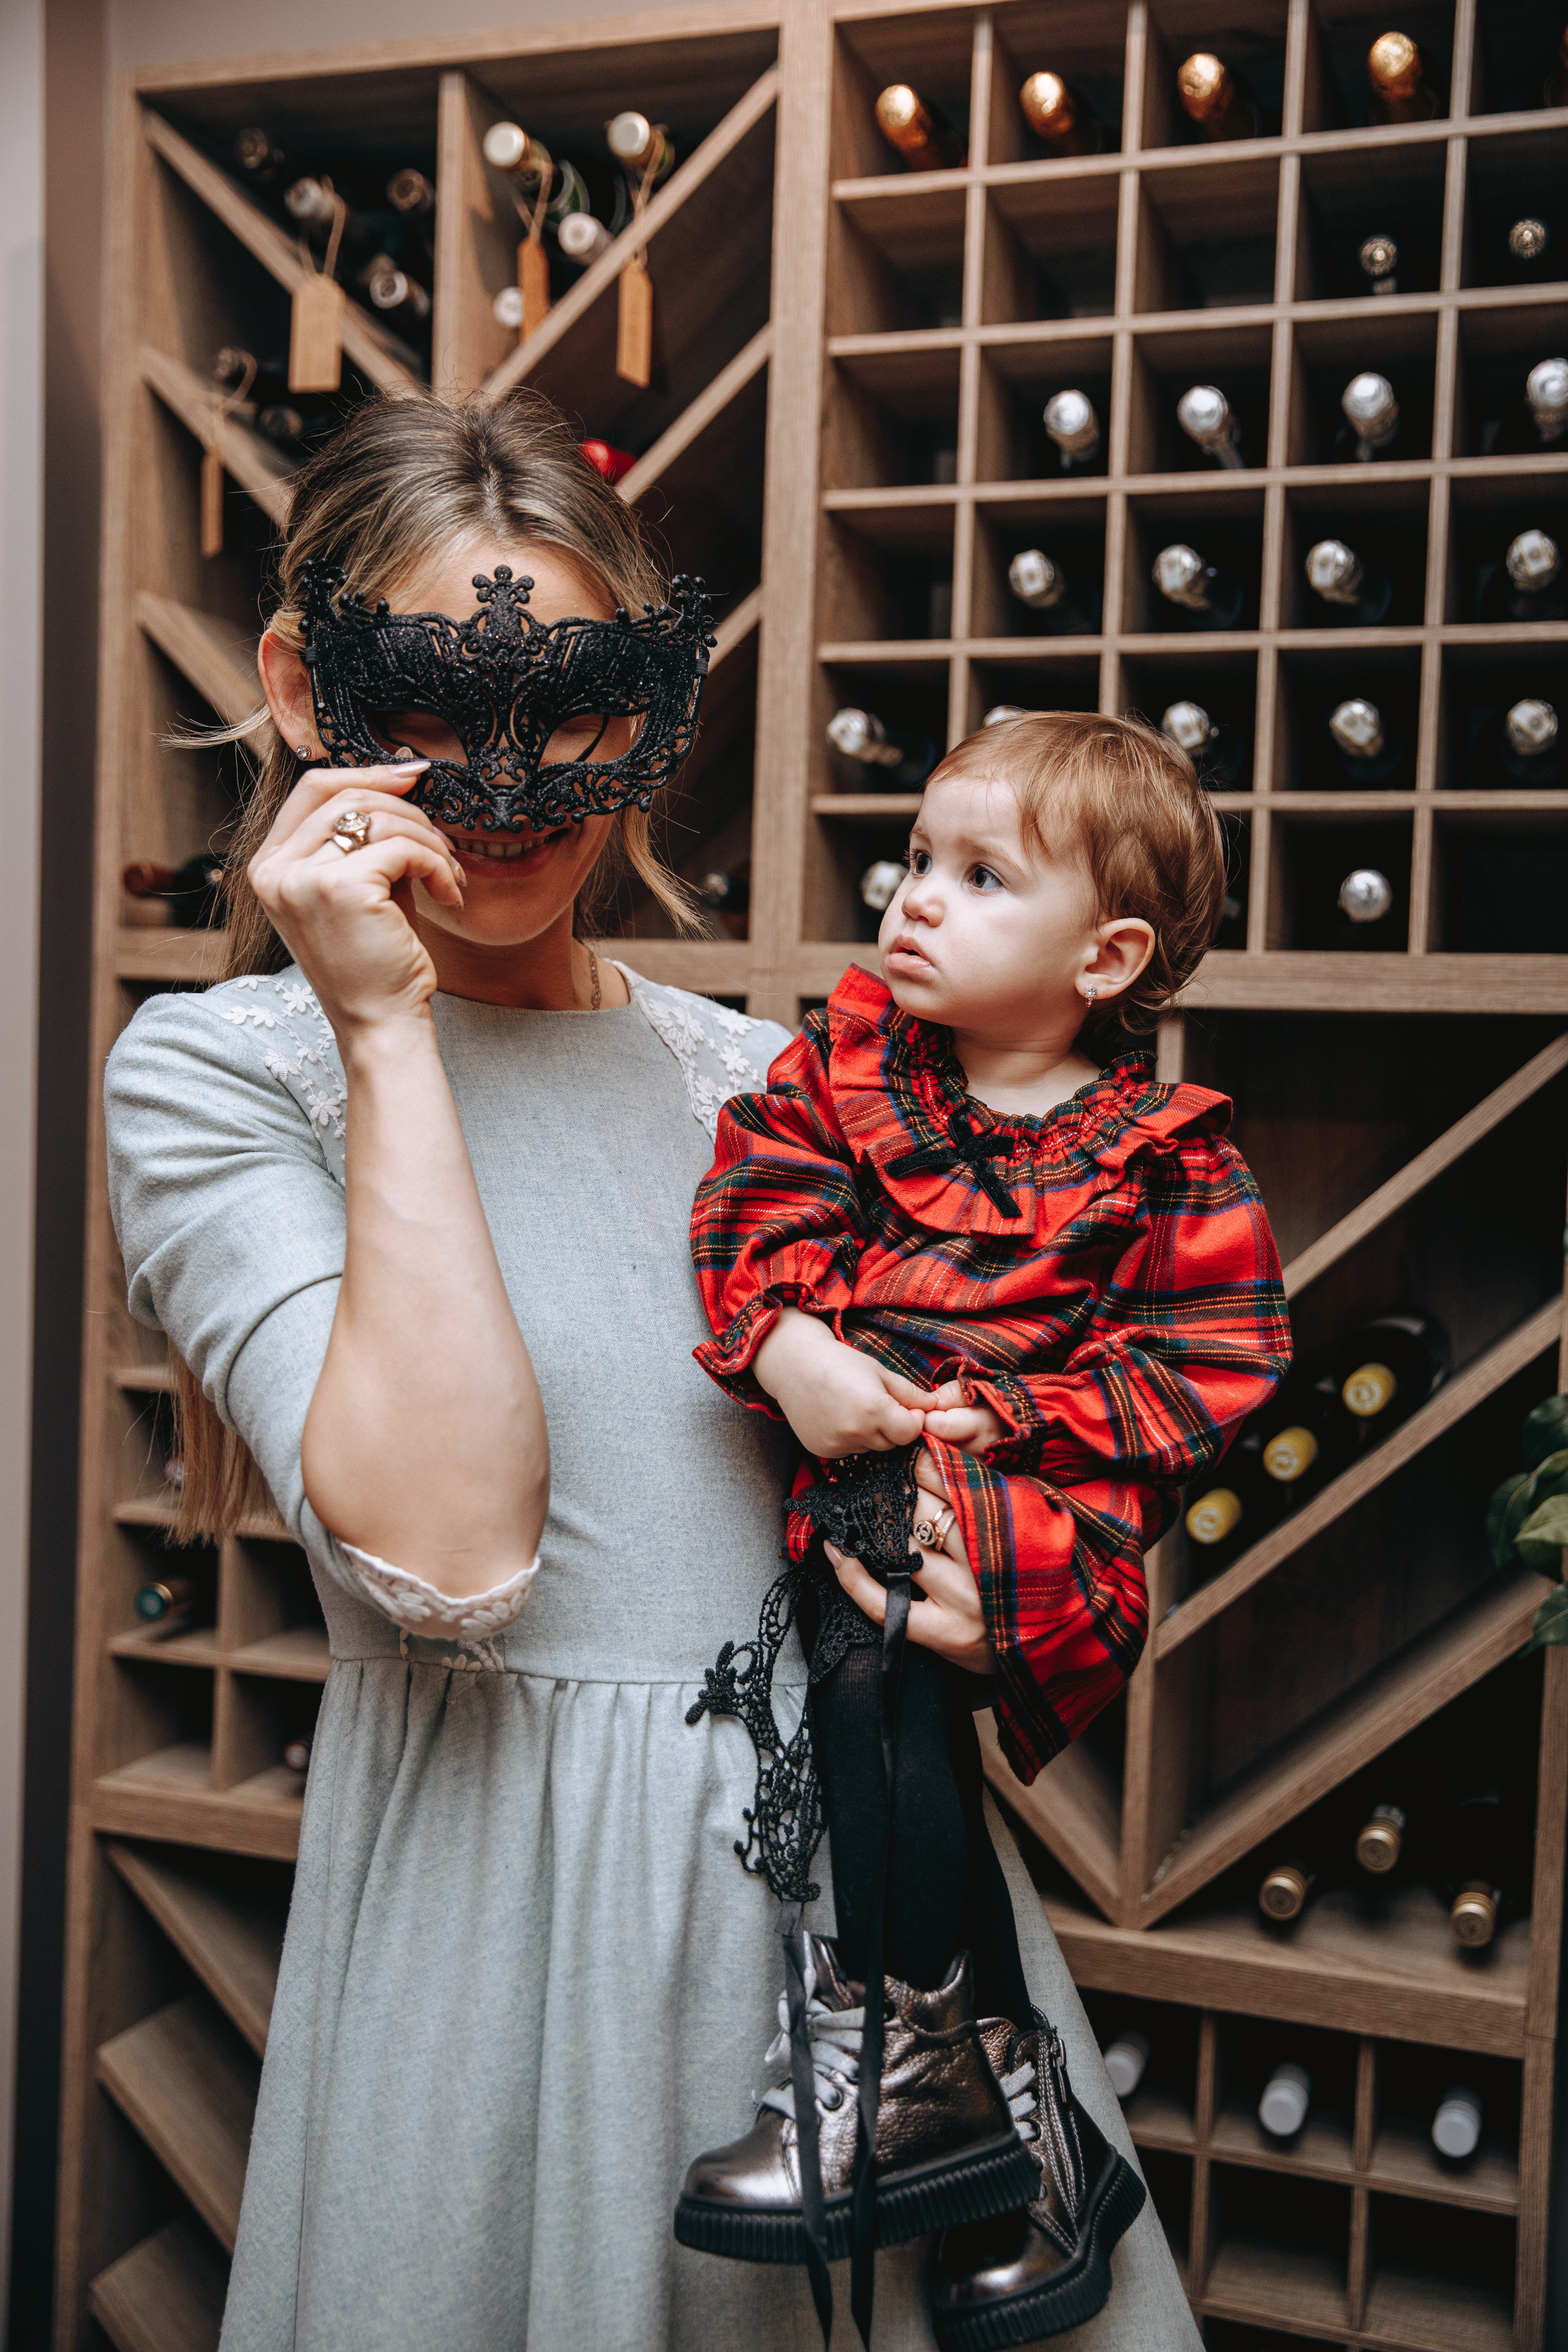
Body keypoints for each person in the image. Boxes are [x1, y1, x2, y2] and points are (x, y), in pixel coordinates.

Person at [104, 387, 1205, 2351]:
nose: (510, 775)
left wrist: (984, 1552)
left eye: (579, 702)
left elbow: (1004, 1410)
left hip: (875, 1961)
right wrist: (380, 1031)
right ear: (299, 686)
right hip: (508, 1949)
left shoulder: (772, 1086)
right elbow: (453, 1548)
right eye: (432, 700)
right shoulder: (217, 1081)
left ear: (654, 695)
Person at [677, 713, 1290, 2347]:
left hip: (1037, 1517)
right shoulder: (853, 1072)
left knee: (891, 1676)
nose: (914, 899)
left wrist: (1003, 1423)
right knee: (883, 1699)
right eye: (917, 859)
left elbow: (1213, 1361)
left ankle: (905, 2061)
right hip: (872, 1466)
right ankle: (989, 2114)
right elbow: (752, 1217)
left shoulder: (1163, 1156)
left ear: (1110, 954)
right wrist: (796, 1351)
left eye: (977, 875)